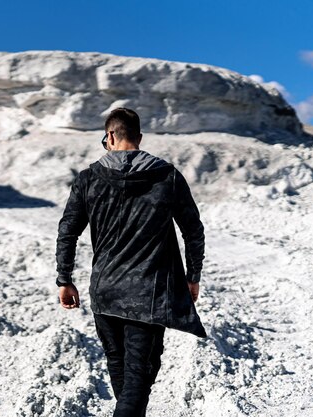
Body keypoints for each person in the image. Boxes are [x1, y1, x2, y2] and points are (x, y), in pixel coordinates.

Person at [55, 107, 207, 417]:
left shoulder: (88, 178)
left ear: (109, 136)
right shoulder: (167, 176)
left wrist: (64, 278)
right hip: (148, 295)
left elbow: (67, 232)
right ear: (139, 137)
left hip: (105, 289)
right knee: (139, 375)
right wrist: (193, 276)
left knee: (120, 367)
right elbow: (193, 230)